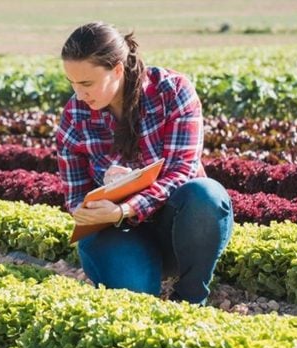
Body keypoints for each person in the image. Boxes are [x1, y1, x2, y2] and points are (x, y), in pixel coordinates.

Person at [56, 22, 234, 305]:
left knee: (206, 194)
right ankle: (137, 272)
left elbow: (182, 172)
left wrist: (126, 207)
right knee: (137, 295)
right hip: (119, 235)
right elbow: (76, 197)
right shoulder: (74, 116)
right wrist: (98, 202)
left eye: (87, 83)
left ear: (116, 69)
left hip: (178, 228)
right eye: (72, 83)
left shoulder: (172, 92)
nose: (79, 94)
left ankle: (191, 297)